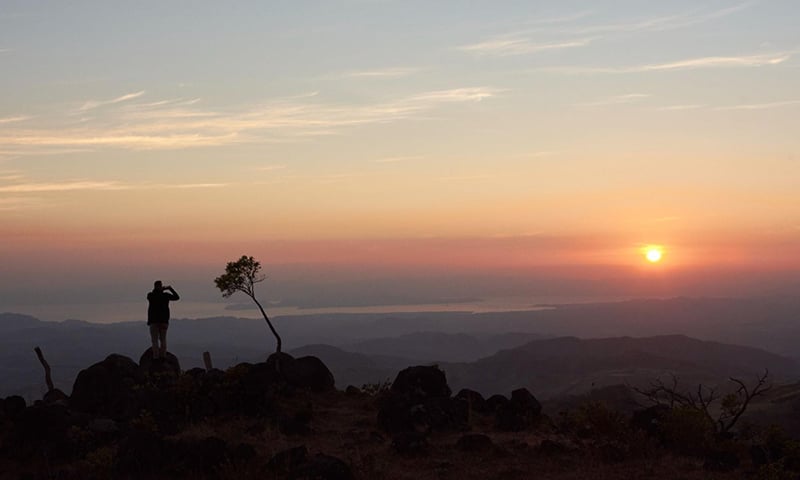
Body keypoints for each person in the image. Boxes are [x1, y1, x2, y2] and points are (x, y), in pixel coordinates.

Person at [147, 280, 179, 359]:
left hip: (154, 321)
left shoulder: (151, 295)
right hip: (164, 321)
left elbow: (151, 295)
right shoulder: (165, 295)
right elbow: (177, 297)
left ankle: (156, 358)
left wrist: (160, 290)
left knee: (155, 340)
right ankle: (163, 357)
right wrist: (170, 289)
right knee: (163, 340)